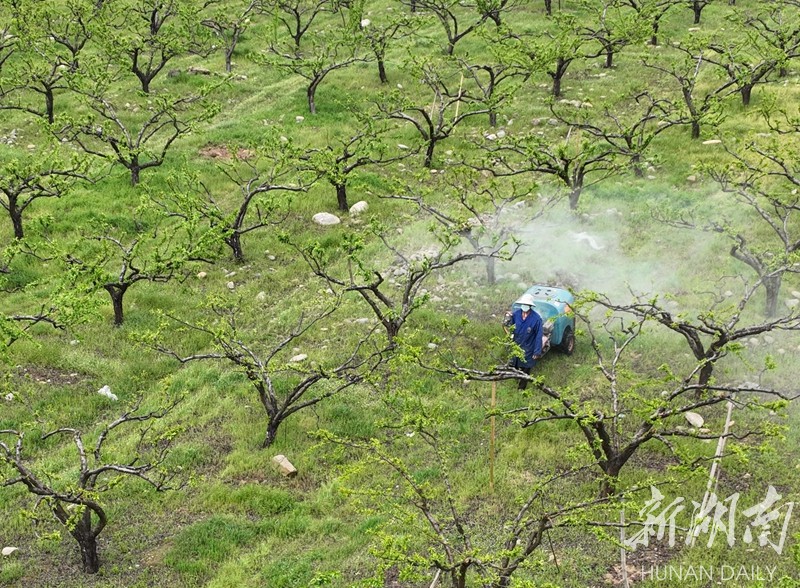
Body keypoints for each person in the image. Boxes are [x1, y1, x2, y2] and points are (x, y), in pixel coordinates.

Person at [503, 293, 543, 390]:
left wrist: (537, 351)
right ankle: (517, 377)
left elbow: (538, 336)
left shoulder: (536, 319)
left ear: (530, 306)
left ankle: (522, 387)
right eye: (523, 304)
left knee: (526, 367)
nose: (524, 307)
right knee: (515, 363)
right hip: (517, 344)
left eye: (526, 305)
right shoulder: (516, 314)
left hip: (529, 346)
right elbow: (510, 326)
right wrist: (508, 320)